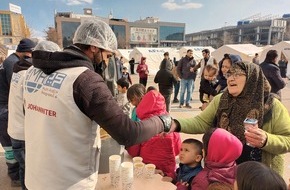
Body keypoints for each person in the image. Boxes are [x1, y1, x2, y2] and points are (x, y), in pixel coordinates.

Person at [22, 19, 173, 190]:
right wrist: (161, 121)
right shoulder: (85, 80)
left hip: (35, 177)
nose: (107, 62)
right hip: (69, 182)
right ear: (94, 46)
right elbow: (128, 133)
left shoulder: (32, 72)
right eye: (107, 55)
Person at [172, 61, 290, 177]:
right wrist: (174, 124)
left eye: (237, 75)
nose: (231, 79)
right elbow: (201, 122)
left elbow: (288, 140)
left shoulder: (271, 105)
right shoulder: (221, 99)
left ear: (252, 78)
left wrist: (266, 140)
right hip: (224, 174)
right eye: (229, 75)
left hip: (259, 178)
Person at [7, 40, 60, 190]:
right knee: (30, 173)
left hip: (15, 130)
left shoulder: (18, 70)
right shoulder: (29, 74)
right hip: (23, 133)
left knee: (25, 169)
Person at [0, 38, 36, 187]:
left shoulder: (9, 61)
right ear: (27, 53)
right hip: (5, 110)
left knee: (9, 145)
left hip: (3, 108)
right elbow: (18, 91)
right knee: (13, 147)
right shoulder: (13, 64)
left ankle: (14, 174)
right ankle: (15, 176)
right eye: (30, 56)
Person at [126, 90, 181, 178]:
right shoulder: (171, 123)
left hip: (148, 168)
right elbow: (178, 149)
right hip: (168, 169)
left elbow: (133, 151)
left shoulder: (144, 125)